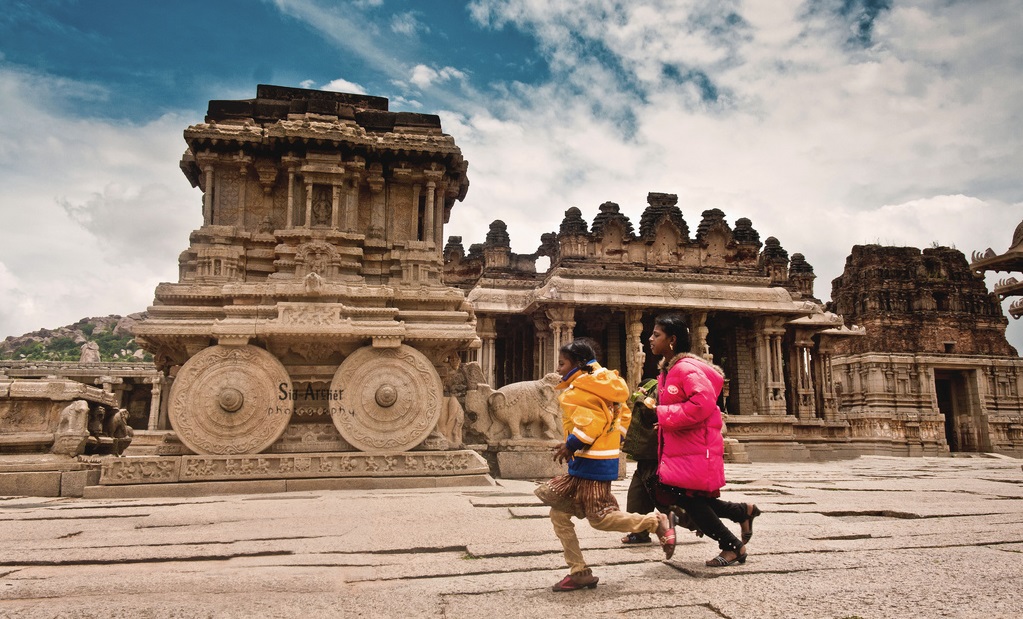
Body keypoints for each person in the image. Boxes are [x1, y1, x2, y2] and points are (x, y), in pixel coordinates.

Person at [535, 338, 676, 592]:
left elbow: (593, 422)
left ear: (578, 363)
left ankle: (654, 522)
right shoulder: (608, 383)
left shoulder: (580, 390)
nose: (558, 369)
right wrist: (614, 440)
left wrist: (572, 444)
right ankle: (579, 571)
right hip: (600, 459)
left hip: (591, 464)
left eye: (561, 363)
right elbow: (623, 415)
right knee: (559, 513)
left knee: (600, 519)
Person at [646, 314, 761, 567]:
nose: (650, 339)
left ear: (672, 340)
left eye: (656, 335)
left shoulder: (685, 369)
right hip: (684, 447)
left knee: (687, 499)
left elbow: (703, 403)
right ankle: (741, 511)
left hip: (695, 447)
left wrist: (663, 414)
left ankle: (733, 546)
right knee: (687, 497)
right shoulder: (671, 370)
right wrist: (665, 421)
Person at [619, 377, 659, 544]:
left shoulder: (655, 391)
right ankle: (639, 532)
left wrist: (640, 399)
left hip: (654, 453)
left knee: (664, 498)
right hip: (646, 454)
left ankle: (698, 521)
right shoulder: (652, 390)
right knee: (637, 494)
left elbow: (653, 414)